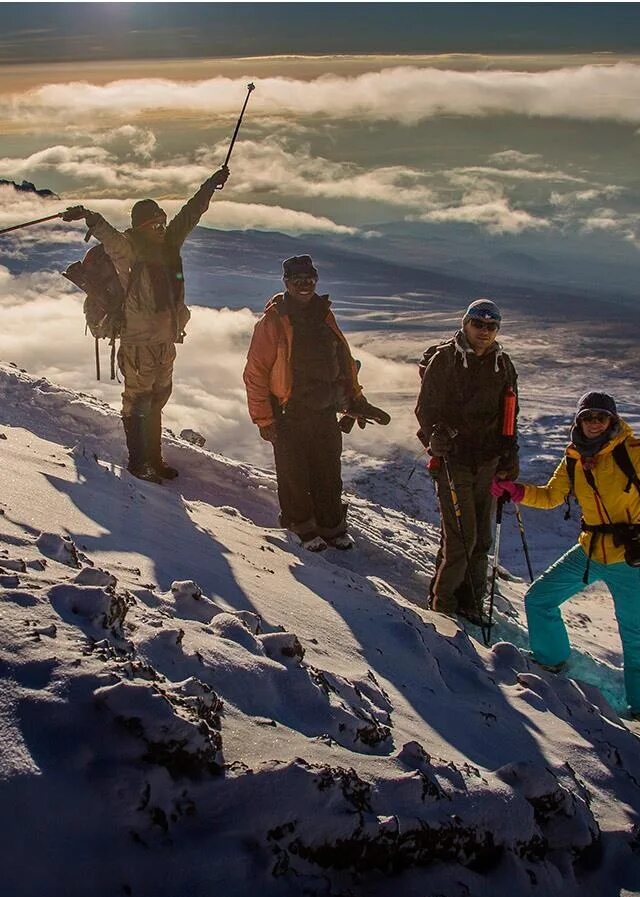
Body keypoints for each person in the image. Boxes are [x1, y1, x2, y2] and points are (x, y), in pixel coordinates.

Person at [496, 379, 640, 725]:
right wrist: (517, 492)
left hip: (633, 557)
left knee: (634, 635)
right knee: (539, 598)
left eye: (602, 417)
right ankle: (552, 658)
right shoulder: (573, 459)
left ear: (612, 421)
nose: (595, 423)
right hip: (590, 551)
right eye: (589, 417)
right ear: (579, 421)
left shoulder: (630, 450)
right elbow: (551, 496)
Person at [61, 167, 228, 483]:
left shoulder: (168, 245)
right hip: (139, 342)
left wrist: (210, 186)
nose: (162, 227)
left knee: (156, 399)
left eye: (163, 221)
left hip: (166, 340)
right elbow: (110, 237)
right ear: (143, 225)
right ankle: (140, 463)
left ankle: (154, 460)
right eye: (156, 222)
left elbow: (190, 214)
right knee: (138, 401)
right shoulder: (130, 249)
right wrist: (89, 216)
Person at [243, 255, 388, 552]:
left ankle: (332, 526)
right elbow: (255, 373)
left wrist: (355, 400)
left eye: (309, 279)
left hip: (324, 411)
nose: (304, 285)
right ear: (286, 282)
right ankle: (302, 527)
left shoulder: (324, 315)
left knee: (327, 472)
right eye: (297, 280)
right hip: (288, 412)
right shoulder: (272, 322)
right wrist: (264, 419)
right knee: (294, 474)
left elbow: (343, 362)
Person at [415, 299, 520, 626]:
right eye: (479, 324)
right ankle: (442, 608)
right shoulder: (445, 361)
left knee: (481, 540)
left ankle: (471, 602)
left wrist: (510, 453)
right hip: (454, 461)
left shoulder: (503, 365)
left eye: (492, 326)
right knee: (462, 538)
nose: (485, 331)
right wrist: (433, 437)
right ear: (466, 324)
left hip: (488, 461)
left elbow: (510, 412)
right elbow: (426, 409)